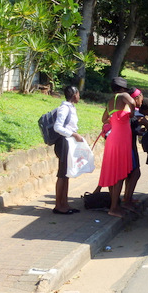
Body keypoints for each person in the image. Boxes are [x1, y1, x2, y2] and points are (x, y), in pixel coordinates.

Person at [98, 77, 136, 218]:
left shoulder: (110, 101)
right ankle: (114, 207)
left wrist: (115, 119)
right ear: (122, 88)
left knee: (114, 171)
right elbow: (132, 102)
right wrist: (131, 113)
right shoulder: (123, 96)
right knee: (119, 173)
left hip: (112, 138)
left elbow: (103, 119)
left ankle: (114, 205)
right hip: (121, 139)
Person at [53, 86, 84, 214]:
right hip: (63, 143)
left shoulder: (70, 107)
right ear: (74, 94)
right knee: (62, 174)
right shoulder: (65, 108)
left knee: (66, 174)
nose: (79, 96)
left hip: (68, 142)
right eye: (78, 93)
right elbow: (57, 127)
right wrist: (73, 134)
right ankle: (58, 206)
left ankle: (64, 204)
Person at [123, 90, 148, 208]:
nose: (142, 100)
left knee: (130, 173)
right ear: (135, 98)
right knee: (136, 173)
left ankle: (127, 196)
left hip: (127, 144)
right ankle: (127, 199)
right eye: (141, 97)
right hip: (129, 146)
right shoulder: (136, 115)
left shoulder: (127, 111)